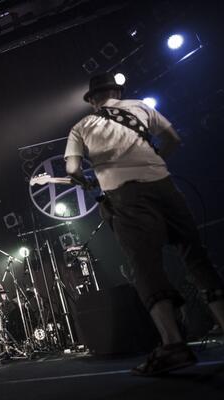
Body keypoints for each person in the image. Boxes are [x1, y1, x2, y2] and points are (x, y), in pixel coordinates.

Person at [63, 72, 224, 376]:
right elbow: (174, 139)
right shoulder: (140, 107)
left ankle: (174, 344)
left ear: (93, 100)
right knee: (196, 256)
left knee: (145, 265)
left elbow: (72, 169)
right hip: (164, 186)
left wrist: (85, 180)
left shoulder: (81, 127)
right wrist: (155, 161)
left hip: (125, 196)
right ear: (116, 93)